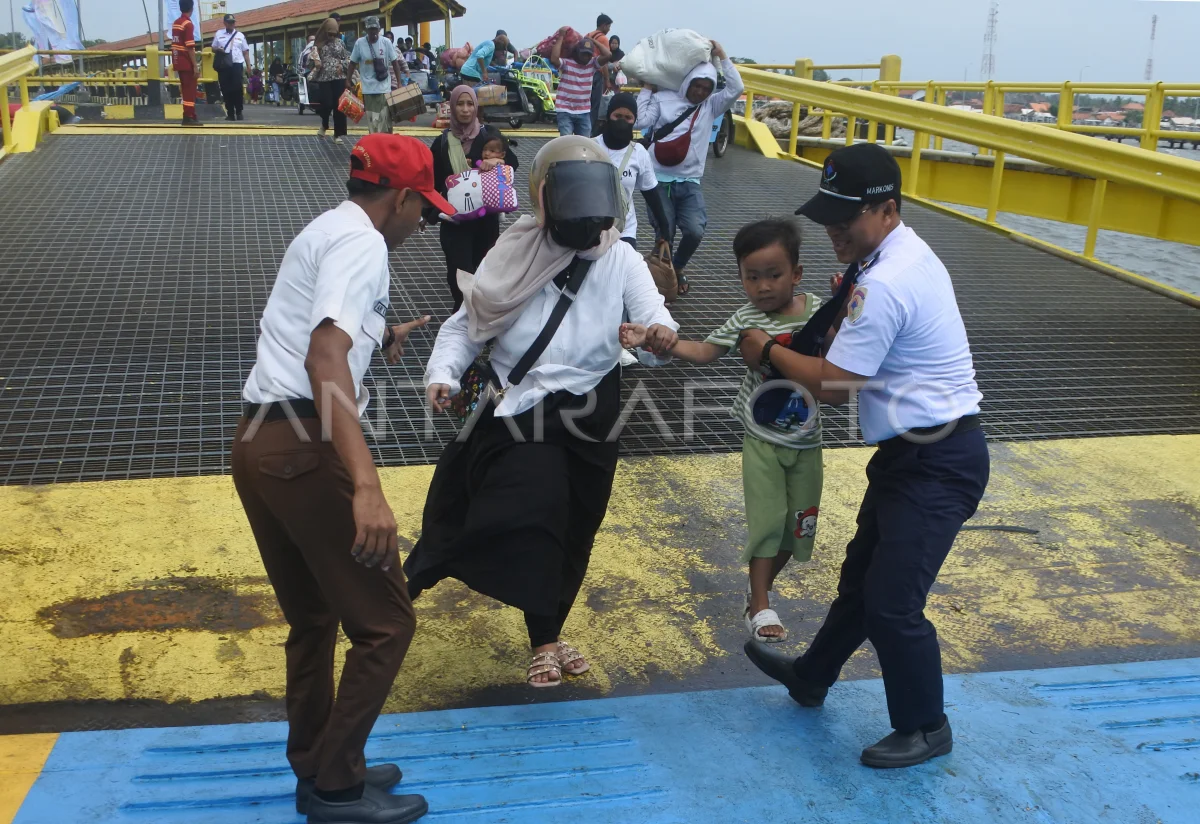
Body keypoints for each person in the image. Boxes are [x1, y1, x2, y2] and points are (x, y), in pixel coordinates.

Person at [740, 143, 989, 769]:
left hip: (938, 460)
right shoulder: (894, 255)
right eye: (826, 216)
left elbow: (834, 384)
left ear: (887, 210)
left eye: (844, 217)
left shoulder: (883, 281)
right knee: (862, 581)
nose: (833, 229)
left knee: (892, 602)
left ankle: (926, 726)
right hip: (913, 454)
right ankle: (811, 676)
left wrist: (766, 350)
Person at [233, 134, 454, 824]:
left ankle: (319, 763)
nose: (425, 222)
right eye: (425, 209)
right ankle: (337, 788)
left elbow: (315, 328)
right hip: (306, 447)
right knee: (387, 623)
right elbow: (325, 356)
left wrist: (378, 336)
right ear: (402, 198)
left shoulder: (326, 229)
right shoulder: (364, 244)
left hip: (258, 440)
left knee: (314, 616)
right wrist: (366, 485)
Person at [406, 135, 679, 689]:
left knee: (578, 525)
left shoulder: (621, 257)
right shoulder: (514, 251)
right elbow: (465, 324)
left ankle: (546, 636)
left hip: (594, 407)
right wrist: (442, 374)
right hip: (522, 403)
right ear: (544, 198)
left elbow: (655, 317)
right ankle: (393, 598)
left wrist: (657, 335)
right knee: (529, 514)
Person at [623, 218, 824, 643]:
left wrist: (849, 309)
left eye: (774, 275)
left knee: (798, 528)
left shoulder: (819, 312)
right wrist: (657, 341)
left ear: (797, 274)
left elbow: (844, 354)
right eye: (752, 277)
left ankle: (757, 591)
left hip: (808, 442)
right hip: (763, 442)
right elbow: (704, 351)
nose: (763, 287)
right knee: (767, 523)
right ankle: (761, 602)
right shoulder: (746, 318)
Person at [636, 40, 743, 295]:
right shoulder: (663, 99)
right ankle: (659, 280)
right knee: (665, 232)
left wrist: (722, 56)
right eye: (697, 86)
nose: (701, 92)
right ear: (688, 83)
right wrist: (648, 88)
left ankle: (676, 267)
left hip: (690, 181)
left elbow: (737, 88)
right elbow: (640, 120)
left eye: (707, 88)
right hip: (657, 179)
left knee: (695, 231)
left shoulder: (711, 105)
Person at [426, 86, 519, 311]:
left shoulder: (489, 135)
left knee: (482, 272)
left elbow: (512, 163)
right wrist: (425, 213)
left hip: (485, 221)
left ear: (476, 107)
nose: (466, 110)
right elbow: (432, 182)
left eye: (470, 104)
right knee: (459, 274)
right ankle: (462, 315)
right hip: (454, 222)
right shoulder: (442, 143)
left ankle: (478, 317)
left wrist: (498, 162)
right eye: (460, 104)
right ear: (452, 106)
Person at [592, 92, 668, 250]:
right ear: (608, 116)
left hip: (624, 229)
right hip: (591, 227)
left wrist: (664, 230)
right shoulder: (590, 147)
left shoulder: (639, 153)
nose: (622, 121)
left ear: (634, 121)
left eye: (628, 118)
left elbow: (651, 194)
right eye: (617, 116)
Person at [349, 17, 410, 134]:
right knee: (373, 121)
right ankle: (375, 141)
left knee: (384, 120)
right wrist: (348, 80)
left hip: (384, 87)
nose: (373, 32)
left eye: (375, 29)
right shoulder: (359, 43)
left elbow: (395, 63)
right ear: (366, 30)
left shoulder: (386, 42)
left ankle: (385, 141)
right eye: (370, 29)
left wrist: (399, 83)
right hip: (368, 89)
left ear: (379, 29)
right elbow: (352, 63)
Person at [550, 30, 611, 136]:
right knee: (567, 142)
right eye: (584, 54)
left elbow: (608, 55)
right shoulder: (567, 63)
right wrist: (561, 37)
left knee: (584, 143)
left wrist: (592, 41)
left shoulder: (592, 64)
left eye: (589, 54)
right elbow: (554, 59)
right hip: (565, 110)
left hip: (584, 111)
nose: (586, 57)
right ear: (578, 52)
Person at [309, 17, 351, 143]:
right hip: (324, 78)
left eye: (334, 34)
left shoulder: (340, 43)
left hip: (339, 77)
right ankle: (324, 124)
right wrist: (316, 61)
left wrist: (342, 65)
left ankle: (338, 134)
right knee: (326, 104)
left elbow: (348, 58)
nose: (332, 37)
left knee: (339, 106)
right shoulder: (318, 44)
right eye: (329, 34)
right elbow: (311, 58)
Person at [211, 14, 250, 121]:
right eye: (229, 22)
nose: (232, 24)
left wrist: (248, 66)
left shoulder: (240, 36)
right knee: (226, 89)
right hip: (224, 66)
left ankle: (239, 111)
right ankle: (230, 113)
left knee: (237, 89)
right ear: (225, 23)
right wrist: (218, 49)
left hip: (236, 65)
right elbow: (213, 48)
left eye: (233, 22)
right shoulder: (219, 34)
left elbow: (245, 52)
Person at [170, 0, 199, 125]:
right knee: (190, 90)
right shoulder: (188, 24)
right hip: (186, 61)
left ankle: (189, 115)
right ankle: (189, 116)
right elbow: (190, 47)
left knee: (185, 89)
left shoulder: (176, 23)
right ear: (191, 8)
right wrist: (195, 66)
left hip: (177, 60)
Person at [587, 14, 614, 132]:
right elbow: (604, 61)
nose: (609, 29)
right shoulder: (603, 39)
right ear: (603, 25)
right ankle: (590, 132)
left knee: (586, 104)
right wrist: (607, 80)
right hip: (597, 74)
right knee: (595, 106)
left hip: (586, 73)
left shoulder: (588, 35)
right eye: (608, 26)